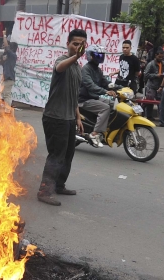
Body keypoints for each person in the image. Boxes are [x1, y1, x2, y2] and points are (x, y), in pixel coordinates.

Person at [37, 29, 87, 206]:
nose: (78, 47)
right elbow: (59, 67)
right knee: (56, 155)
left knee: (68, 154)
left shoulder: (78, 68)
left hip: (69, 118)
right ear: (68, 44)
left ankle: (59, 185)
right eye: (75, 44)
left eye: (81, 44)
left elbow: (74, 96)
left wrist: (78, 117)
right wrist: (76, 56)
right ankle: (44, 191)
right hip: (55, 117)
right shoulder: (62, 61)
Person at [78, 44, 116, 148]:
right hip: (84, 99)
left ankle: (105, 128)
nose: (100, 57)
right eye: (97, 55)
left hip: (93, 97)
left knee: (114, 105)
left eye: (101, 55)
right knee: (105, 108)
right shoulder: (86, 69)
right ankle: (94, 133)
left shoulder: (97, 69)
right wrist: (105, 91)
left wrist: (117, 87)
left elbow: (105, 82)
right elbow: (90, 85)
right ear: (90, 56)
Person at [143, 47, 164, 121]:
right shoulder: (151, 64)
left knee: (160, 102)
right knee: (149, 102)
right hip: (151, 86)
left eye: (162, 57)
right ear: (156, 55)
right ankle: (148, 116)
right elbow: (146, 75)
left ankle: (161, 117)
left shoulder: (163, 64)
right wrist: (156, 75)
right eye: (159, 57)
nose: (161, 58)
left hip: (159, 86)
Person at [1, 30, 18, 107]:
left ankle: (7, 110)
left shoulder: (12, 55)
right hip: (8, 78)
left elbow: (7, 47)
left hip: (9, 78)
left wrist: (4, 35)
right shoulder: (10, 56)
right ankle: (7, 108)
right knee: (5, 93)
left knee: (7, 94)